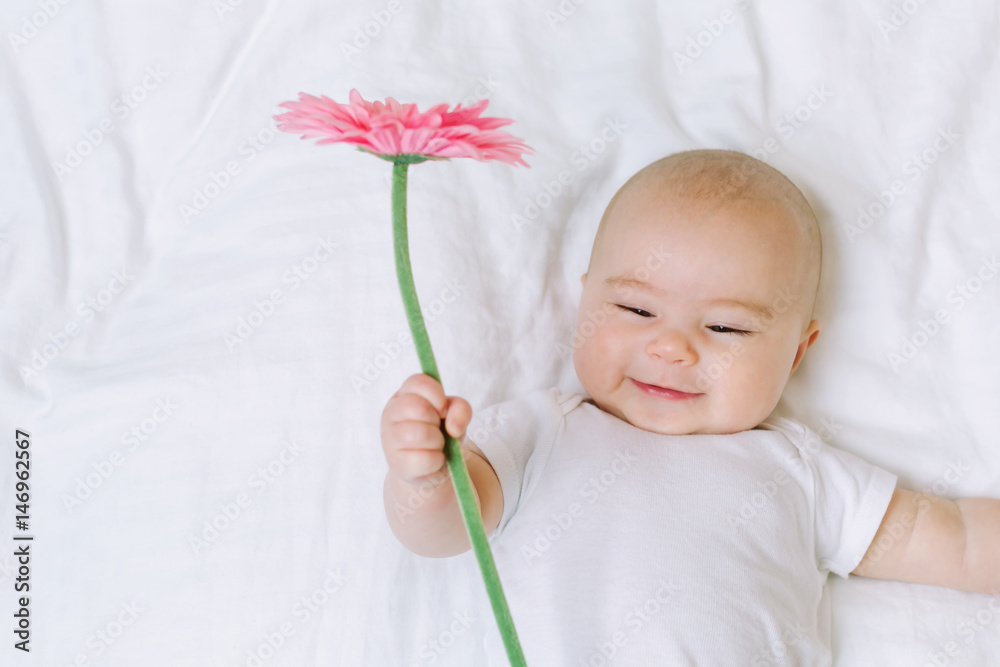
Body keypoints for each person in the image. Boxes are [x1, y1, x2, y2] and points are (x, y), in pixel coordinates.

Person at [380, 149, 999, 663]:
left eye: (727, 329)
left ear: (795, 354)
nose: (672, 348)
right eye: (636, 310)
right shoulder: (544, 432)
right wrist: (425, 473)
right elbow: (446, 531)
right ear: (585, 298)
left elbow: (957, 540)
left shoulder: (799, 470)